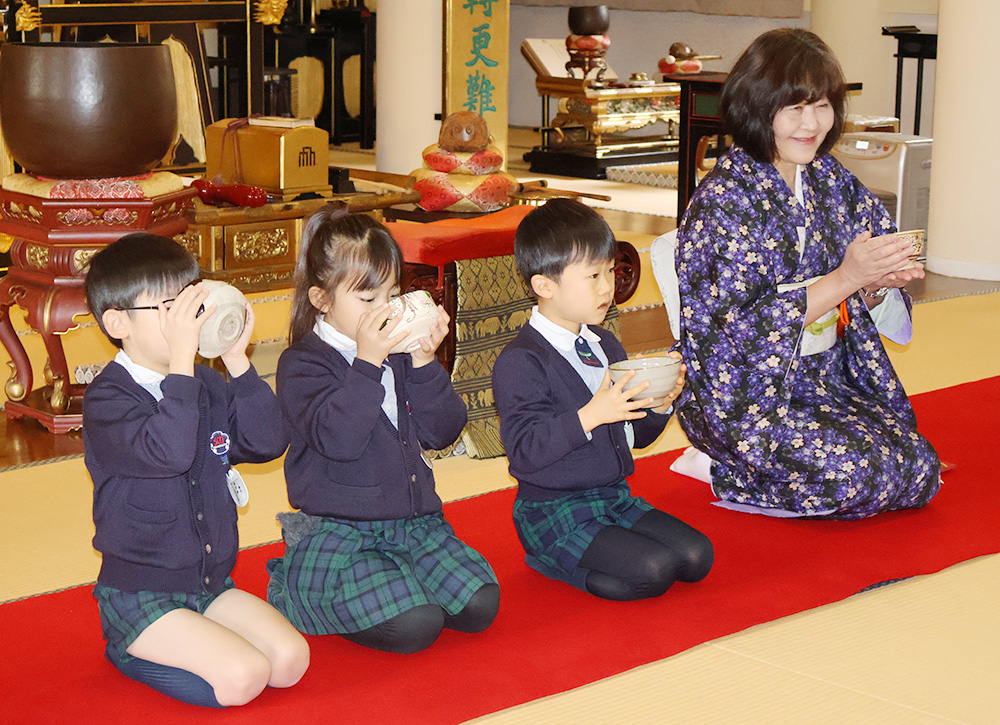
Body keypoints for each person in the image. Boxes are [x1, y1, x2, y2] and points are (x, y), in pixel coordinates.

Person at [672, 28, 941, 519]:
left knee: (918, 468)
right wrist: (845, 278)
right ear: (758, 107)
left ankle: (757, 468)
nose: (811, 123)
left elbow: (863, 278)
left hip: (822, 378)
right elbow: (734, 333)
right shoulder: (723, 201)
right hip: (744, 394)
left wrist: (877, 284)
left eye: (821, 106)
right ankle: (724, 465)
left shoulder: (829, 178)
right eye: (794, 108)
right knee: (857, 477)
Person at [83, 233, 308, 708]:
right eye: (169, 307)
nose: (189, 317)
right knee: (243, 678)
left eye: (192, 301)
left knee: (289, 662)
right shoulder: (108, 399)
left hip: (208, 582)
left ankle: (199, 635)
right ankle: (126, 647)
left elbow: (267, 443)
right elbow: (170, 452)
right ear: (118, 322)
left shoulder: (205, 381)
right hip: (141, 590)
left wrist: (236, 361)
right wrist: (183, 362)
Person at [267, 205, 499, 654]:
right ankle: (298, 590)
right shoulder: (302, 364)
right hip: (342, 531)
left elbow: (444, 431)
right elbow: (339, 439)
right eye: (367, 299)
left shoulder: (399, 350)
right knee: (418, 626)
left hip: (414, 525)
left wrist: (427, 361)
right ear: (321, 299)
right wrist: (367, 363)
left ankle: (398, 581)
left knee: (479, 606)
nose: (385, 309)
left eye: (392, 294)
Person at [492, 198, 713, 601]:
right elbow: (524, 452)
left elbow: (637, 437)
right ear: (545, 286)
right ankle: (548, 557)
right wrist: (592, 414)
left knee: (697, 557)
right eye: (593, 275)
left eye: (610, 271)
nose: (608, 287)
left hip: (613, 497)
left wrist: (661, 403)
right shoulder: (521, 360)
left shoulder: (605, 343)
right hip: (554, 509)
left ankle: (596, 559)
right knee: (654, 571)